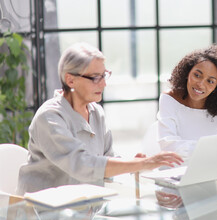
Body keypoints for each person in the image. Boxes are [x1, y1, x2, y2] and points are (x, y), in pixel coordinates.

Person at [17, 42, 183, 195]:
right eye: (95, 77)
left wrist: (133, 163)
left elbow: (107, 158)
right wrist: (142, 164)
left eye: (104, 75)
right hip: (43, 215)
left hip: (85, 210)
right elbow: (82, 165)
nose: (103, 84)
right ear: (70, 80)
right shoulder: (49, 117)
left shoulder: (96, 112)